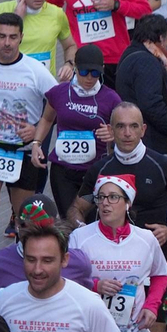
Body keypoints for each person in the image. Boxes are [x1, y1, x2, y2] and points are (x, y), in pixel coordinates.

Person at [73, 103, 167, 263]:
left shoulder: (163, 166)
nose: (127, 133)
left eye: (133, 126)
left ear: (143, 130)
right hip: (109, 261)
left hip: (152, 258)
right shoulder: (100, 169)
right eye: (121, 126)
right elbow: (77, 209)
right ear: (111, 130)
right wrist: (83, 231)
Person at [0, 11, 56, 255]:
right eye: (2, 36)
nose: (7, 43)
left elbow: (57, 100)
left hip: (23, 150)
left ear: (21, 37)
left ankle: (24, 260)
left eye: (12, 37)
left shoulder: (34, 70)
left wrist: (38, 128)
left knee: (24, 214)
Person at [68, 174, 167, 332]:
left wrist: (151, 306)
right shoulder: (80, 237)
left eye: (113, 197)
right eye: (101, 197)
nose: (105, 203)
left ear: (128, 203)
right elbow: (67, 279)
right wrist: (95, 286)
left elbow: (161, 274)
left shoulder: (146, 239)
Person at [35, 43, 118, 216]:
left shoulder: (111, 99)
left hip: (94, 171)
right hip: (63, 171)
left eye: (95, 73)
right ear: (75, 69)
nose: (89, 78)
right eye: (84, 72)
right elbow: (47, 119)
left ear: (102, 70)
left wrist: (113, 134)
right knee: (70, 220)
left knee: (91, 222)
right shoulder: (59, 92)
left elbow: (125, 131)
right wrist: (37, 143)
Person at [114, 15, 167, 155]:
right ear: (160, 38)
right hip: (148, 140)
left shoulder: (133, 52)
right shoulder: (146, 62)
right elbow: (151, 103)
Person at [0, 0, 75, 75]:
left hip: (45, 84)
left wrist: (69, 64)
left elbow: (70, 46)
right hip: (13, 81)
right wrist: (16, 19)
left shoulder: (57, 13)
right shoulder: (1, 10)